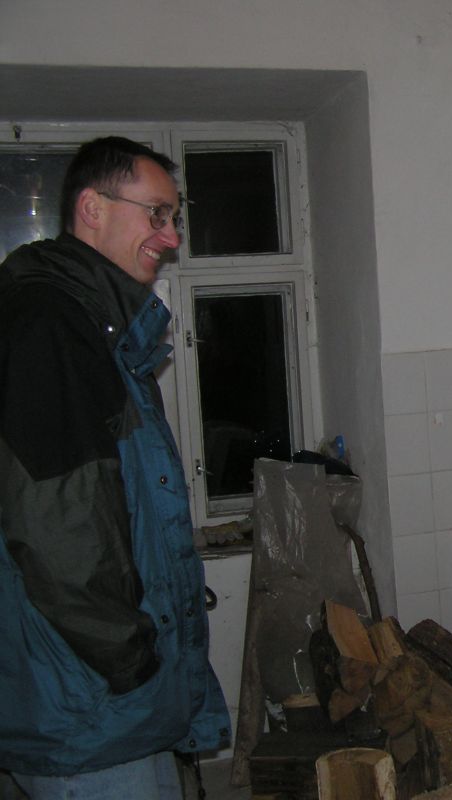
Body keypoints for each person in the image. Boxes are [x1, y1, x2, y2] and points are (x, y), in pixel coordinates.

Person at [0, 137, 230, 798]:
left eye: (175, 218)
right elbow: (59, 532)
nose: (172, 237)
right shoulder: (50, 327)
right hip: (88, 705)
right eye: (156, 214)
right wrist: (134, 659)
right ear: (92, 208)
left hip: (96, 699)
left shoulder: (91, 327)